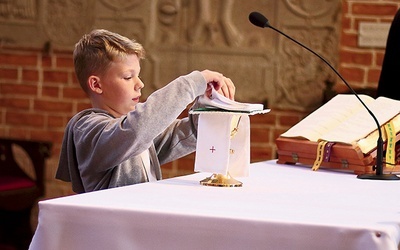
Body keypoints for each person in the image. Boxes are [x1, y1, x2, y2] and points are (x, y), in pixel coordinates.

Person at [55, 29, 236, 193]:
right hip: (115, 227)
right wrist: (191, 84)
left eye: (138, 75)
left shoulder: (134, 131)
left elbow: (183, 135)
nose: (140, 84)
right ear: (96, 84)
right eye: (128, 77)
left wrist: (208, 105)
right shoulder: (87, 128)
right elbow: (136, 130)